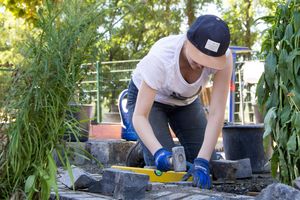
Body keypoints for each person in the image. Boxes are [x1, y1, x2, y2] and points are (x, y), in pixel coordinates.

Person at [126, 14, 233, 189]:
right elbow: (139, 116)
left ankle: (152, 144)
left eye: (209, 62)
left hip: (185, 102)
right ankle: (143, 147)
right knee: (168, 170)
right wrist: (158, 152)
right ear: (188, 41)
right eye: (199, 58)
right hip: (150, 102)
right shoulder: (161, 58)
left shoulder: (225, 58)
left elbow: (216, 113)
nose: (202, 66)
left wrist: (203, 161)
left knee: (209, 165)